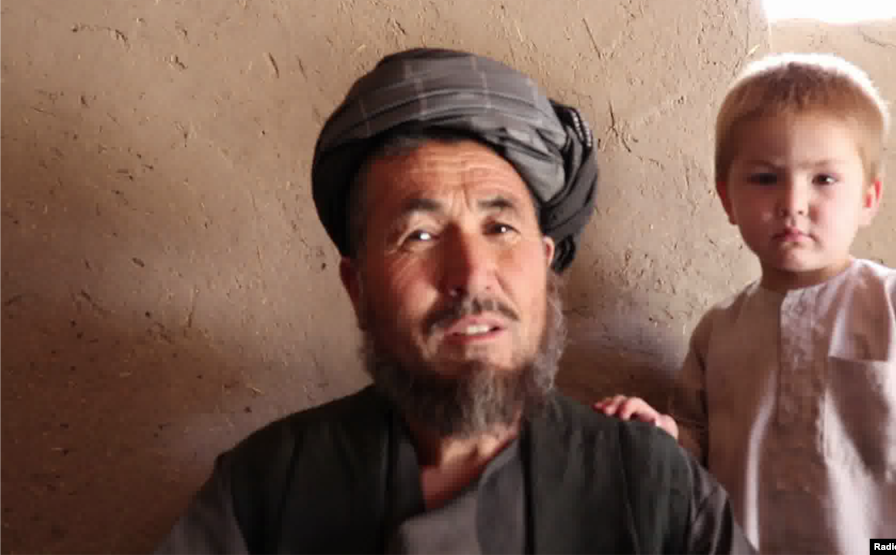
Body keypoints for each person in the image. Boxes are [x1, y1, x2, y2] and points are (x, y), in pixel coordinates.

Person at [151, 47, 756, 555]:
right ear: (357, 287)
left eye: (500, 228)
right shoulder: (267, 488)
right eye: (419, 235)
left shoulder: (652, 486)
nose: (471, 274)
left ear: (546, 267)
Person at [595, 53, 896, 552]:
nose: (793, 203)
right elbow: (698, 459)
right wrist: (662, 435)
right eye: (764, 178)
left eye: (824, 179)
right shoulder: (719, 332)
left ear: (868, 198)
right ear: (727, 199)